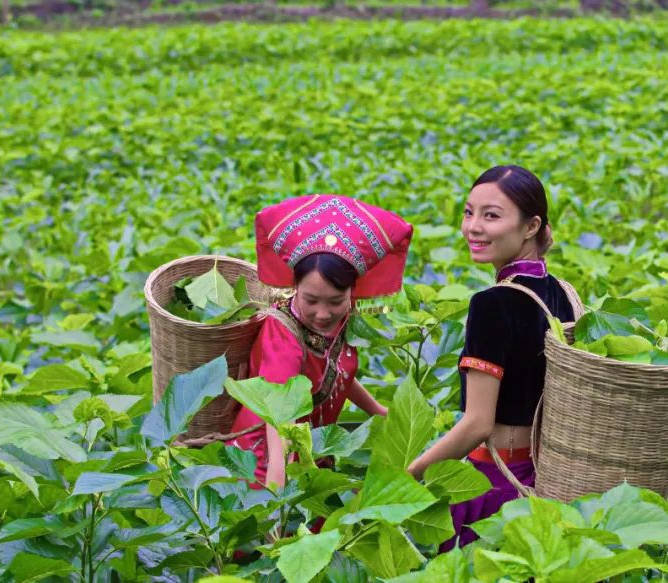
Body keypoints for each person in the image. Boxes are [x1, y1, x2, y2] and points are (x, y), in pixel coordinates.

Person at [406, 166, 584, 551]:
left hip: (495, 482)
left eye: (491, 215)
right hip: (545, 478)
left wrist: (409, 476)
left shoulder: (492, 304)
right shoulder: (564, 295)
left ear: (531, 226)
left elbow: (477, 424)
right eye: (469, 212)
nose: (473, 227)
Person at [228, 194, 413, 489]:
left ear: (353, 292)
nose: (323, 314)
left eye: (336, 301)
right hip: (264, 456)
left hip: (311, 448)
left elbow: (335, 373)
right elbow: (279, 409)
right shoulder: (283, 332)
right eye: (311, 300)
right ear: (294, 288)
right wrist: (278, 481)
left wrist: (377, 411)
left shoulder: (341, 321)